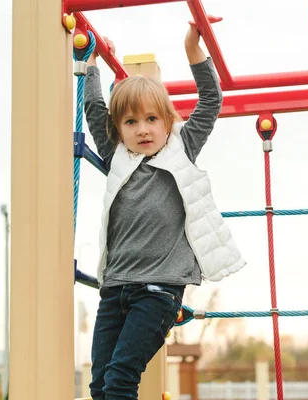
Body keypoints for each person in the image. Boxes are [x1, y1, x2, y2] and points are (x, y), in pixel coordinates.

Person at [83, 20, 246, 400]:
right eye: (131, 122)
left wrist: (192, 48)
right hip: (114, 288)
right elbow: (93, 109)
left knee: (121, 380)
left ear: (169, 121)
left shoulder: (182, 149)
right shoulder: (117, 158)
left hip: (158, 291)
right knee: (99, 386)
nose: (142, 129)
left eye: (152, 119)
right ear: (119, 129)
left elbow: (211, 100)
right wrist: (90, 62)